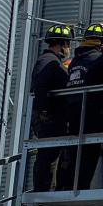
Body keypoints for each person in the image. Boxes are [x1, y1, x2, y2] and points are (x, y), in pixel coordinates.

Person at [63, 23, 103, 190]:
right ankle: (82, 188)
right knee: (90, 153)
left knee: (73, 153)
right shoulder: (102, 60)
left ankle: (67, 187)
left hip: (72, 114)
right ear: (101, 44)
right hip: (93, 114)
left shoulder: (74, 61)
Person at [29, 24, 73, 192]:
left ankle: (47, 188)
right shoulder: (48, 61)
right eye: (68, 44)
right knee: (48, 156)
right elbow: (40, 86)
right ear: (62, 44)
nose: (69, 48)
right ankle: (43, 189)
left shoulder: (52, 62)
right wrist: (44, 112)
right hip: (49, 118)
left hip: (51, 117)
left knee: (51, 155)